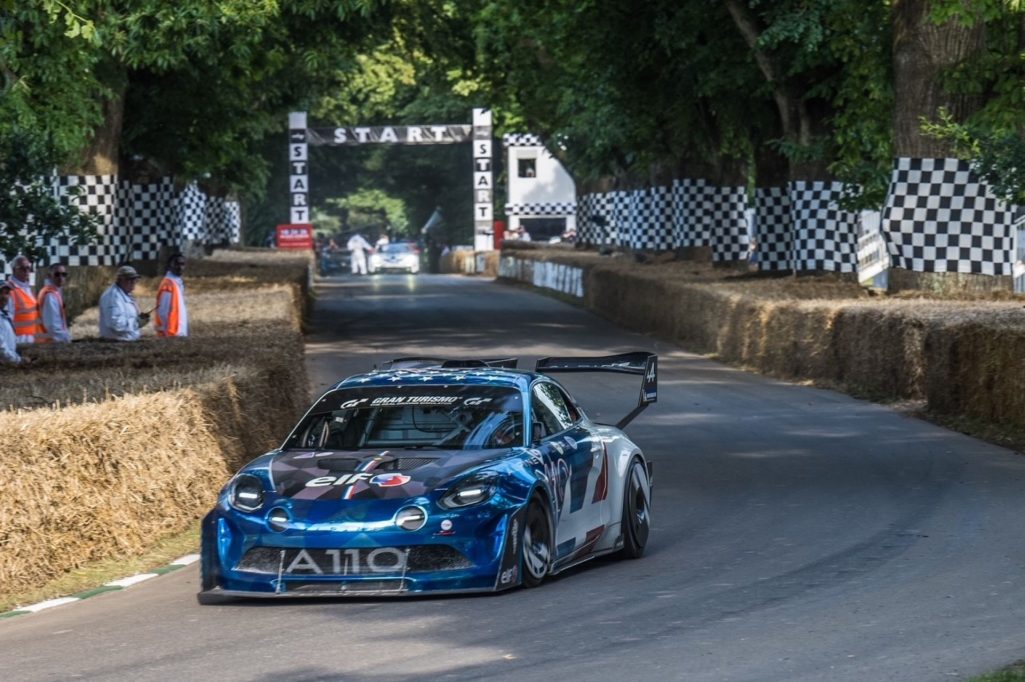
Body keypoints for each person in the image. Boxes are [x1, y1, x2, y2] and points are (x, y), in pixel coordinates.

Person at [99, 265, 146, 341]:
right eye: (130, 280)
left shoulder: (126, 294)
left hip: (125, 342)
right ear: (120, 280)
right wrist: (136, 323)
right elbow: (115, 324)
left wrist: (140, 318)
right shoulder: (113, 297)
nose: (133, 283)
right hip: (116, 344)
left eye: (135, 280)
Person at [5, 255, 40, 344]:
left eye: (28, 268)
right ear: (14, 270)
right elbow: (6, 321)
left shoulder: (27, 288)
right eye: (22, 268)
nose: (26, 271)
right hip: (18, 341)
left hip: (31, 340)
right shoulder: (8, 290)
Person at [154, 253, 188, 337]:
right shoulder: (168, 285)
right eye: (176, 264)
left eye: (182, 264)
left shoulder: (177, 282)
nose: (180, 267)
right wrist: (168, 333)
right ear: (169, 266)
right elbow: (163, 312)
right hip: (171, 334)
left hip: (177, 333)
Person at [37, 262, 71, 343]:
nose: (61, 277)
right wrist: (66, 339)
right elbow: (52, 326)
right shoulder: (50, 295)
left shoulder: (53, 292)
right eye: (57, 274)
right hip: (53, 342)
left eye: (64, 274)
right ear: (49, 276)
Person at [0, 282, 26, 364]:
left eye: (7, 293)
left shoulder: (5, 315)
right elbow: (1, 349)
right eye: (0, 293)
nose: (4, 297)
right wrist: (19, 360)